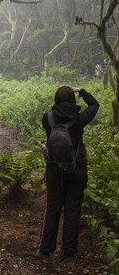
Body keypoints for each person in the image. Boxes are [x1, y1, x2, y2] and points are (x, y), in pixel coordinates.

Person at [37, 85, 99, 263]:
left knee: (52, 208)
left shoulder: (47, 119)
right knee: (73, 210)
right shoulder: (80, 119)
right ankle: (70, 254)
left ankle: (46, 252)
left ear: (56, 100)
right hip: (77, 169)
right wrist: (82, 91)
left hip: (54, 170)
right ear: (73, 100)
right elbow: (94, 105)